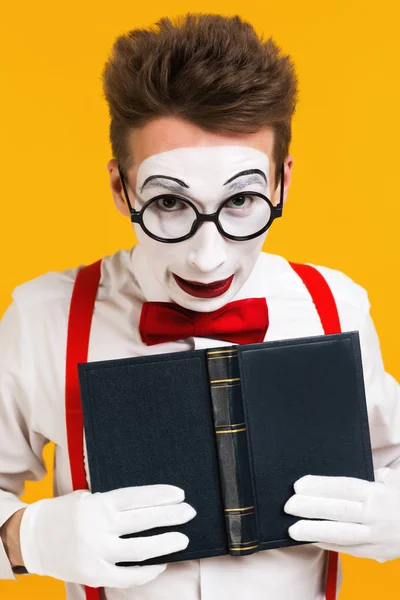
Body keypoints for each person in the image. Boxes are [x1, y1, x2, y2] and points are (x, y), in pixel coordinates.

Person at [1, 12, 400, 600]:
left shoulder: (334, 304)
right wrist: (25, 538)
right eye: (168, 203)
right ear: (121, 189)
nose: (207, 258)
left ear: (282, 183)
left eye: (241, 199)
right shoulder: (43, 317)